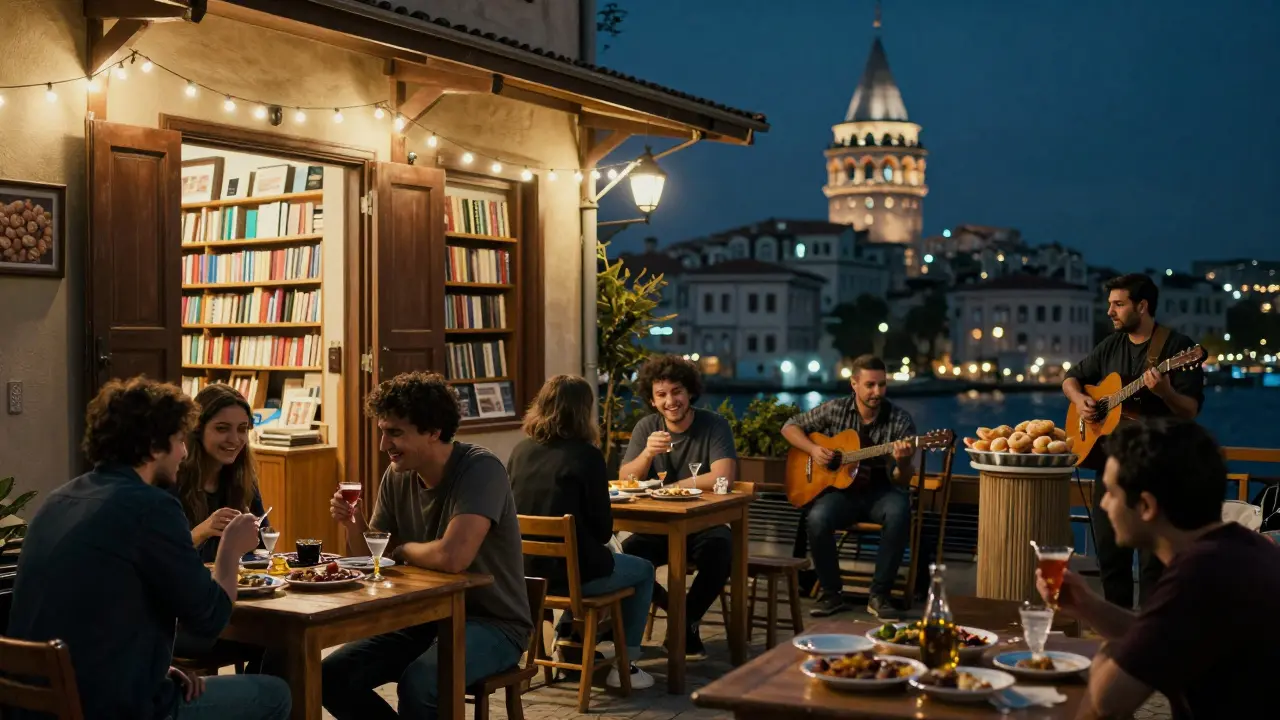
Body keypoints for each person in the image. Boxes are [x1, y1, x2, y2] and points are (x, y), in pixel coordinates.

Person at [7, 376, 290, 720]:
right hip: (111, 707)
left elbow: (95, 610)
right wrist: (229, 548)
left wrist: (153, 666)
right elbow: (210, 621)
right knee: (274, 694)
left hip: (41, 703)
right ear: (156, 446)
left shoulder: (60, 498)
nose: (185, 451)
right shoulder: (151, 507)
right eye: (179, 440)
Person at [1035, 419, 1280, 720]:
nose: (1103, 505)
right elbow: (1161, 636)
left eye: (1111, 492)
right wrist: (1087, 605)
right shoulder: (1239, 549)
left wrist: (1111, 653)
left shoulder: (1200, 576)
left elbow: (1106, 704)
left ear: (1146, 507)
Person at [322, 371, 531, 720]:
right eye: (382, 431)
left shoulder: (481, 469)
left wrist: (401, 551)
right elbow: (372, 555)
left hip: (492, 623)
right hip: (420, 618)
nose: (383, 445)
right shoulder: (397, 474)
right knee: (330, 676)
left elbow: (452, 557)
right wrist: (352, 522)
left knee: (421, 683)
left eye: (395, 433)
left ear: (433, 431)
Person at [1063, 272, 1205, 609]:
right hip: (1109, 467)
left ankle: (1152, 638)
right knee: (1111, 561)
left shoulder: (1177, 348)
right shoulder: (1111, 345)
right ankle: (1119, 637)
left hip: (1158, 471)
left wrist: (1166, 391)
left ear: (1142, 306)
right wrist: (1080, 400)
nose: (1109, 311)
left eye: (1118, 304)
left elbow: (1190, 411)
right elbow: (1071, 378)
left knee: (1155, 564)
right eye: (1109, 304)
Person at [509, 374, 656, 689]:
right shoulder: (586, 456)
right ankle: (625, 666)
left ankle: (571, 645)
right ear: (582, 411)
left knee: (596, 562)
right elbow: (603, 531)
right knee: (642, 569)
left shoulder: (521, 451)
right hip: (573, 579)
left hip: (527, 576)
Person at [617, 354, 737, 660]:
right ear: (653, 400)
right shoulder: (647, 427)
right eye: (661, 395)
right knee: (626, 557)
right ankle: (682, 617)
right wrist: (646, 454)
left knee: (721, 551)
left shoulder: (713, 425)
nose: (671, 401)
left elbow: (723, 474)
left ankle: (685, 620)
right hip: (658, 528)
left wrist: (671, 488)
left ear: (690, 392)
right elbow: (625, 478)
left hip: (703, 524)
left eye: (677, 392)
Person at [781, 354, 916, 619]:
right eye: (870, 385)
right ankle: (831, 594)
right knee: (817, 518)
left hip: (881, 491)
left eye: (882, 385)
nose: (877, 392)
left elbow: (902, 480)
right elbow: (789, 427)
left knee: (900, 511)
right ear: (854, 384)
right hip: (842, 493)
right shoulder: (835, 410)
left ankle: (879, 595)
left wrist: (905, 461)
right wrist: (814, 450)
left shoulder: (900, 421)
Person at [171, 384, 268, 663]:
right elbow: (161, 557)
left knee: (281, 641)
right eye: (223, 428)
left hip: (232, 602)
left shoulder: (242, 479)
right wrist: (202, 531)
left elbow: (262, 544)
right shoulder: (173, 479)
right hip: (184, 615)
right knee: (272, 642)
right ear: (198, 429)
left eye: (242, 429)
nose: (234, 439)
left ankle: (261, 702)